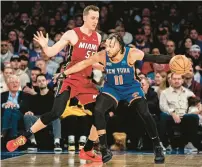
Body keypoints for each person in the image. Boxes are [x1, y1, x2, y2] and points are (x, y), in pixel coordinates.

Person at [56, 34, 177, 163]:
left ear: (120, 45)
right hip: (112, 88)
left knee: (145, 113)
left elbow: (154, 58)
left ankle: (157, 146)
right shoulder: (103, 55)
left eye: (111, 46)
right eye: (106, 45)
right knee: (98, 110)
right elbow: (84, 63)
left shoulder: (132, 53)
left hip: (131, 88)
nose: (107, 48)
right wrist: (64, 73)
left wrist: (173, 59)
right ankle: (103, 147)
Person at [7, 5, 103, 162]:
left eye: (97, 18)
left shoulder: (98, 38)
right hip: (69, 78)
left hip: (85, 81)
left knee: (100, 112)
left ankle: (88, 149)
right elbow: (51, 52)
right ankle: (24, 136)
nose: (95, 21)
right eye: (93, 18)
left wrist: (108, 67)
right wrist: (45, 45)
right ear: (84, 18)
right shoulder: (72, 34)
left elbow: (91, 61)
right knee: (56, 113)